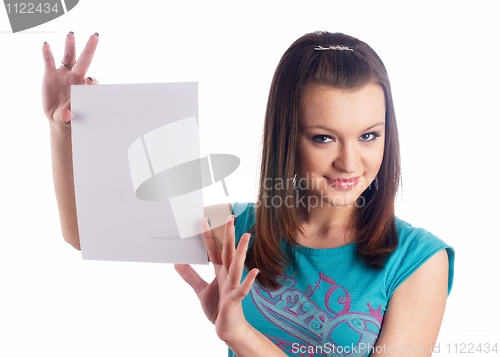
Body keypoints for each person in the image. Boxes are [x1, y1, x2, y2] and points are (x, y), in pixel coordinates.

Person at [42, 31, 454, 357]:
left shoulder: (418, 261)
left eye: (368, 136)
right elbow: (89, 234)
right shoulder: (239, 231)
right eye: (324, 138)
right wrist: (63, 130)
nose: (349, 163)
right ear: (287, 138)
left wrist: (241, 336)